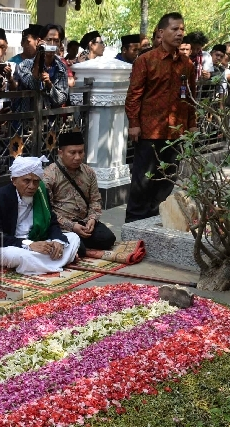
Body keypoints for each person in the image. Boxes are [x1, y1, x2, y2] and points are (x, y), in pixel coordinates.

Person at [124, 12, 197, 223]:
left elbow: (190, 97)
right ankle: (134, 228)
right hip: (149, 131)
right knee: (142, 182)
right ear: (161, 32)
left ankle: (155, 224)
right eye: (175, 29)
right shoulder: (146, 60)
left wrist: (192, 125)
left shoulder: (187, 64)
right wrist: (134, 124)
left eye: (182, 29)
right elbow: (134, 95)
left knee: (166, 182)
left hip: (176, 132)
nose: (180, 33)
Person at [0, 156, 80, 275]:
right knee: (19, 256)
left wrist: (57, 240)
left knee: (73, 237)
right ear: (14, 180)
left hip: (37, 239)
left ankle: (43, 264)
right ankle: (59, 261)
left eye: (36, 181)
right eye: (26, 181)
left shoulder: (41, 193)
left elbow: (52, 222)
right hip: (10, 245)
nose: (32, 186)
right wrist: (29, 245)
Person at [42, 132, 116, 257]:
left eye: (81, 152)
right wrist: (72, 226)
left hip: (84, 221)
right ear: (61, 153)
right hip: (62, 226)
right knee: (79, 249)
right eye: (72, 153)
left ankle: (76, 243)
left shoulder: (89, 172)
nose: (77, 157)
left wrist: (92, 218)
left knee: (108, 239)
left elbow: (95, 200)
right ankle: (72, 243)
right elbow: (48, 210)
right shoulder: (49, 176)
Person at [14, 29, 69, 110]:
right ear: (40, 41)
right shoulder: (24, 65)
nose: (52, 44)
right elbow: (32, 85)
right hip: (28, 119)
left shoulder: (61, 67)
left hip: (50, 120)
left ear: (60, 44)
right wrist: (39, 53)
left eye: (56, 41)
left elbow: (62, 99)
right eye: (49, 40)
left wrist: (50, 85)